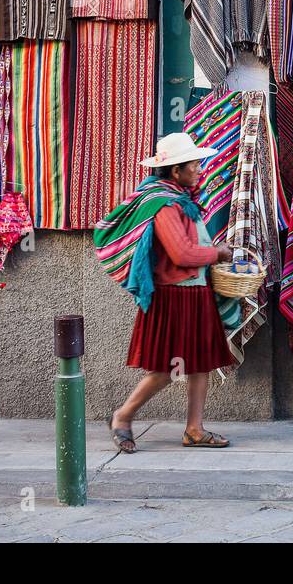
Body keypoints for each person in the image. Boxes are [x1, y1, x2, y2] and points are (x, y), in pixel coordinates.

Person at [104, 132, 237, 452]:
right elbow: (182, 254)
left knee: (200, 362)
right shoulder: (164, 204)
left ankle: (194, 429)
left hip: (194, 292)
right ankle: (123, 416)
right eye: (194, 165)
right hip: (173, 296)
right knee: (166, 369)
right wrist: (218, 254)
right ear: (176, 171)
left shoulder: (181, 199)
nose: (199, 170)